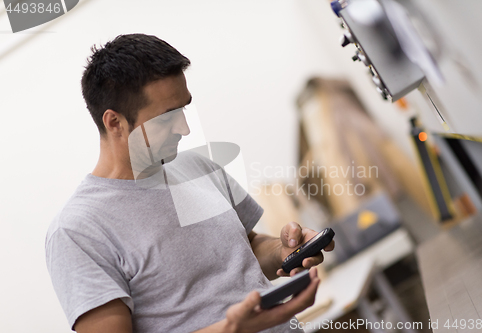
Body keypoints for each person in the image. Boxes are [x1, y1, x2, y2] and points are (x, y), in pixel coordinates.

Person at [45, 33, 335, 333]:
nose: (184, 128)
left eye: (183, 109)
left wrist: (282, 250)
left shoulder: (197, 166)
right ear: (115, 123)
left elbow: (244, 252)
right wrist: (229, 329)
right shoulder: (77, 231)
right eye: (168, 117)